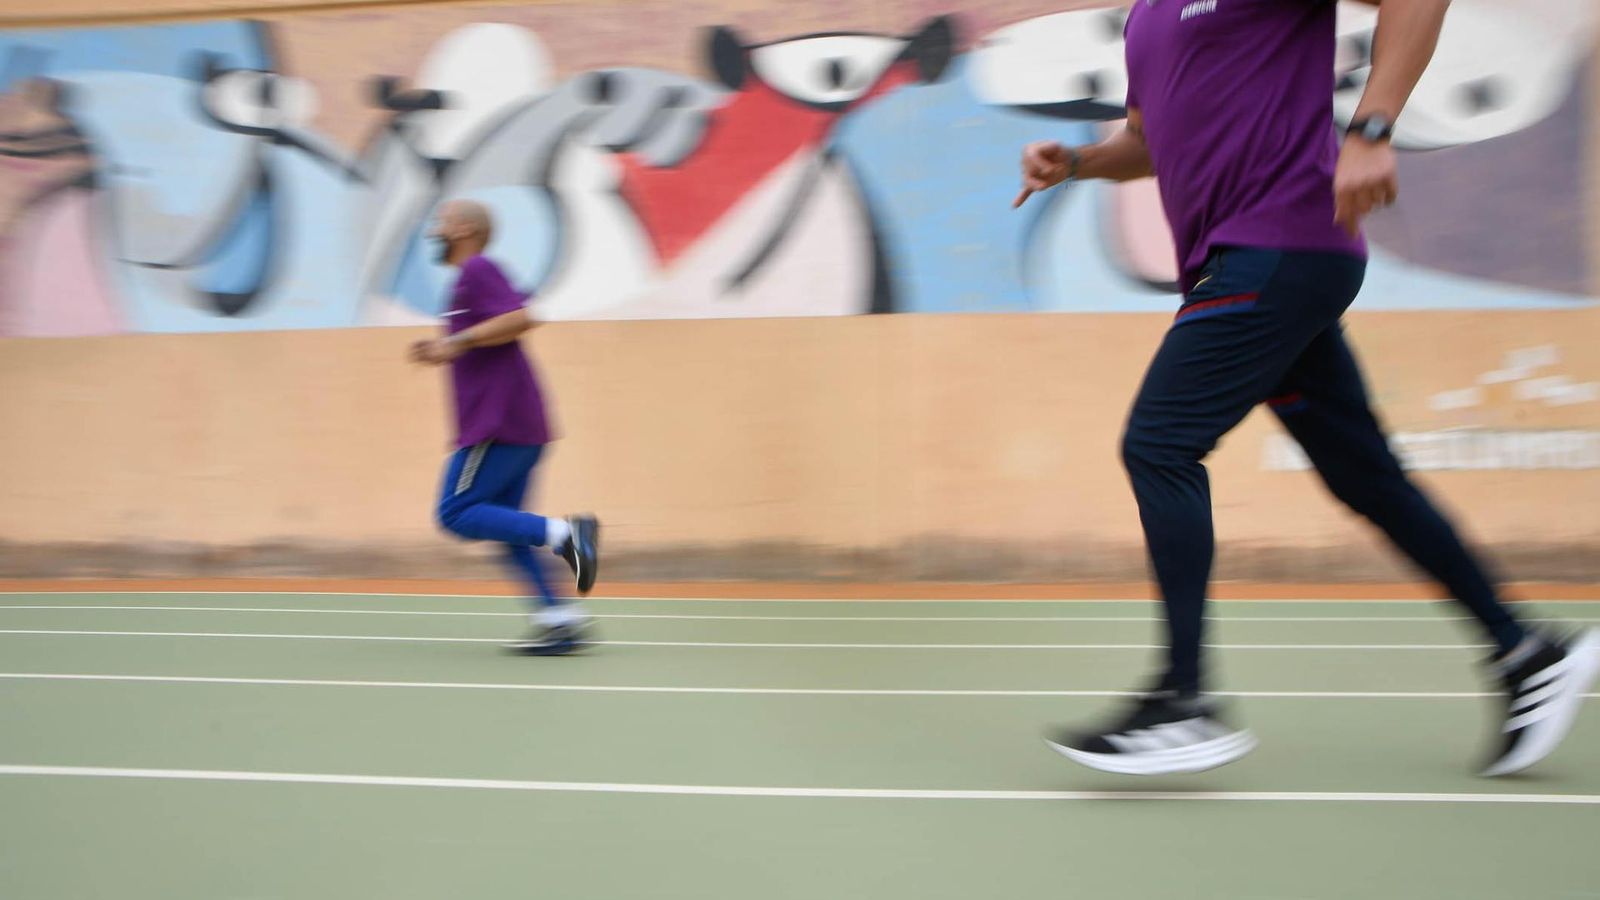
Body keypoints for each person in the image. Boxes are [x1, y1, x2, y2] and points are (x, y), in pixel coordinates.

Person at [1016, 0, 1599, 776]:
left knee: (1160, 444)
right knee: (1366, 476)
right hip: (1260, 261)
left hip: (1275, 246)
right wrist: (1079, 164)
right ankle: (1525, 652)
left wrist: (1371, 129)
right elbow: (1148, 143)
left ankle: (1184, 702)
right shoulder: (1144, 19)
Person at [409, 199, 599, 655]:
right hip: (517, 425)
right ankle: (560, 621)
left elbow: (523, 317)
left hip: (497, 424)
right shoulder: (467, 280)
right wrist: (449, 347)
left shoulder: (478, 270)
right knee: (509, 531)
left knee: (455, 512)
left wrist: (453, 343)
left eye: (443, 221)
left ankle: (566, 536)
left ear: (467, 229)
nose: (435, 229)